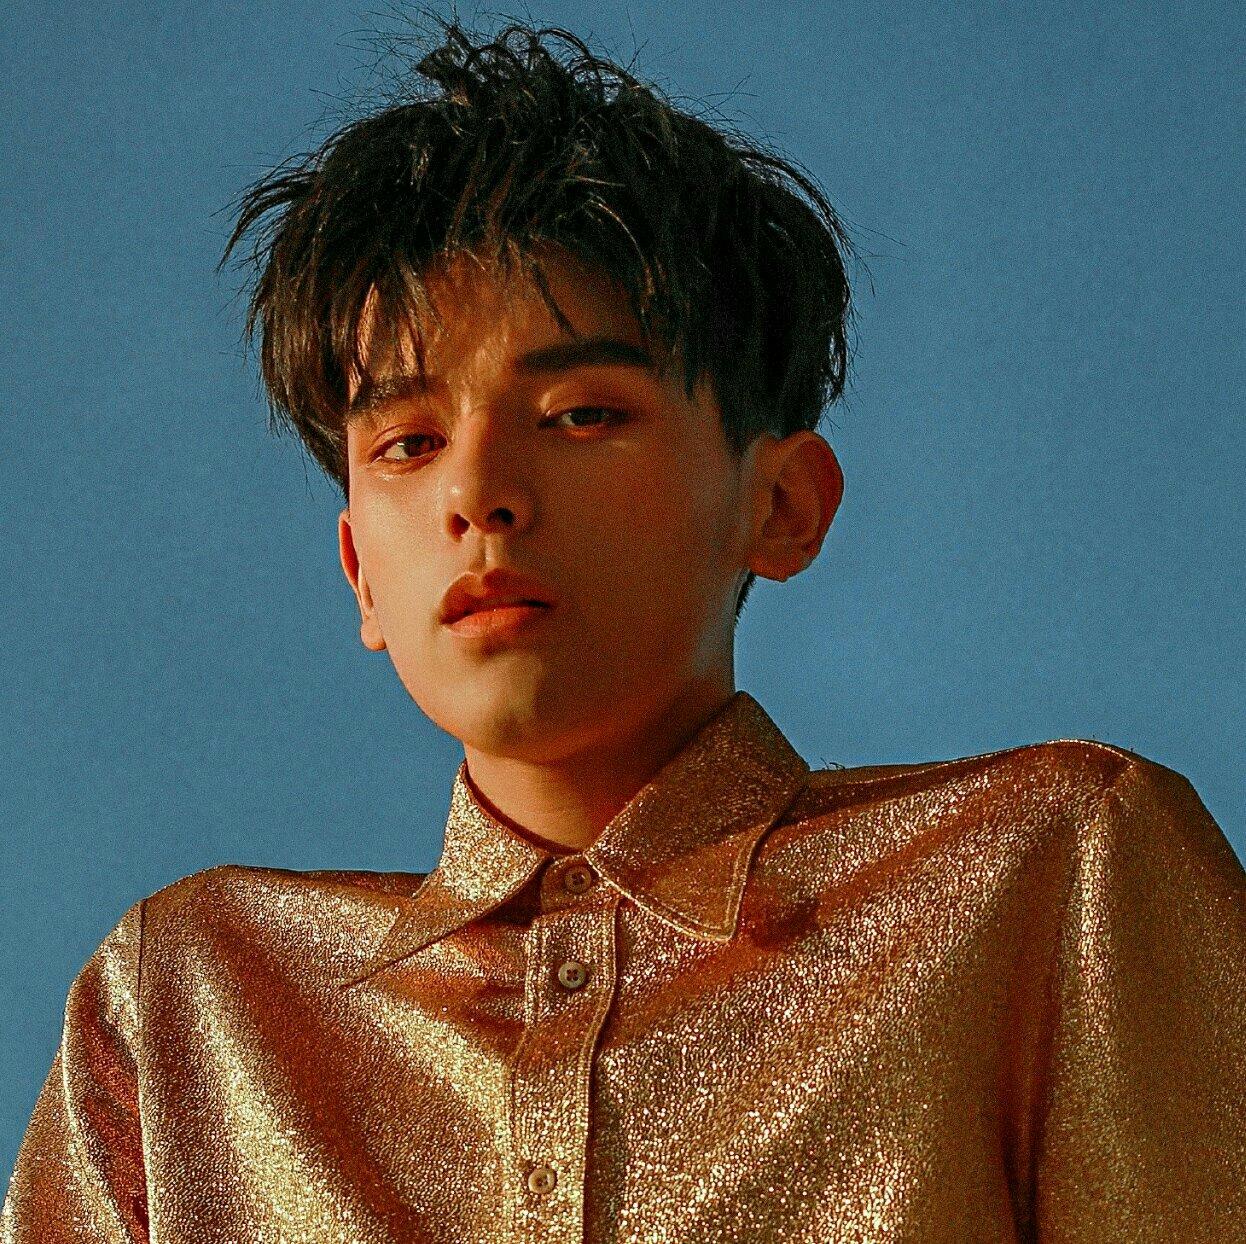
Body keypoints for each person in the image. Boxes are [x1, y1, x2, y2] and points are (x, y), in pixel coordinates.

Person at [4, 16, 1244, 1243]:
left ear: (782, 504)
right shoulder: (186, 1002)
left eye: (581, 413)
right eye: (408, 441)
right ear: (359, 574)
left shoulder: (1054, 869)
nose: (477, 492)